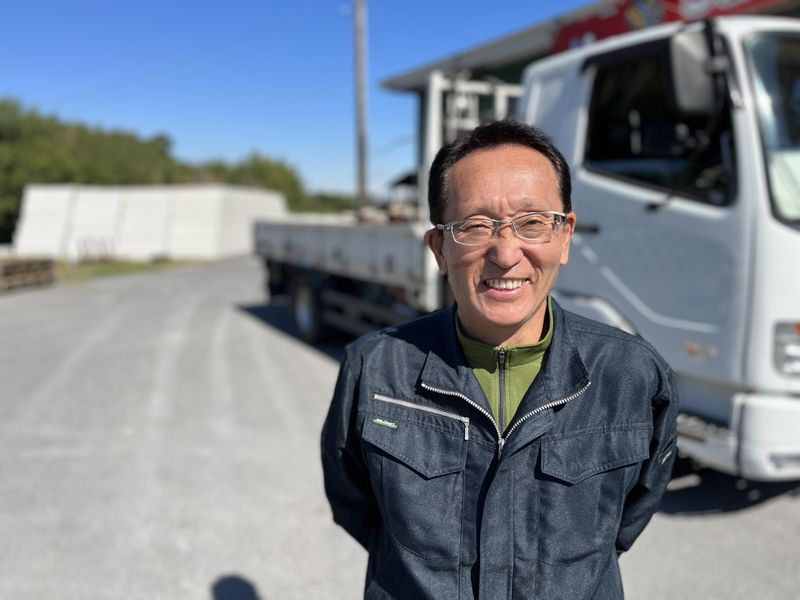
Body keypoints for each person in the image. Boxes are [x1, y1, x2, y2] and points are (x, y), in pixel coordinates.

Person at [321, 120, 678, 599]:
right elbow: (354, 503)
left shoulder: (631, 374)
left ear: (565, 236)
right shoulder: (376, 369)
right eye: (474, 226)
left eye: (533, 223)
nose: (506, 254)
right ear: (440, 249)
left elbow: (630, 514)